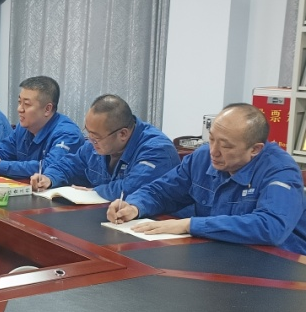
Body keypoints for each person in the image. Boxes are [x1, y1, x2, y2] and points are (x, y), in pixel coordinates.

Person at [108, 103, 306, 253]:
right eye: (211, 139)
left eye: (226, 146)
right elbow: (163, 191)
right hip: (219, 252)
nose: (214, 151)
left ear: (255, 149)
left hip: (278, 264)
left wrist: (189, 225)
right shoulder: (202, 158)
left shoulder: (280, 171)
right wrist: (134, 206)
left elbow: (271, 226)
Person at [31, 94, 179, 200]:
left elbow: (131, 189)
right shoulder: (95, 142)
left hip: (154, 224)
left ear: (122, 134)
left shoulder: (157, 150)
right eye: (88, 132)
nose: (90, 140)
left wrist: (94, 192)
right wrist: (49, 178)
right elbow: (69, 164)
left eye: (96, 136)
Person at [0, 76, 83, 179]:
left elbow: (51, 168)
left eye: (26, 104)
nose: (19, 109)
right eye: (19, 102)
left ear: (47, 109)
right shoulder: (23, 128)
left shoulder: (67, 134)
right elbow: (3, 151)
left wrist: (0, 166)